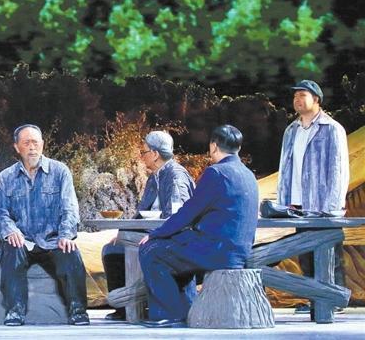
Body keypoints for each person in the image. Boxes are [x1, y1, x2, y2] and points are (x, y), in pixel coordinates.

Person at [138, 125, 259, 328]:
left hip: (217, 249)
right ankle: (186, 309)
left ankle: (168, 314)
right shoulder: (248, 174)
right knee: (176, 250)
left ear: (214, 146)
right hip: (240, 250)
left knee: (151, 250)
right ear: (238, 148)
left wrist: (156, 234)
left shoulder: (216, 173)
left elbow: (189, 211)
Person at [0, 124, 90, 326]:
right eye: (26, 143)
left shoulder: (60, 171)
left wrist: (66, 235)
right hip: (23, 241)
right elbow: (0, 213)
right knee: (11, 249)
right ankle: (15, 311)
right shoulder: (6, 177)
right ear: (17, 147)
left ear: (42, 145)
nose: (32, 147)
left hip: (53, 240)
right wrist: (10, 231)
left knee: (71, 251)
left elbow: (70, 208)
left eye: (35, 142)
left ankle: (78, 310)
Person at [102, 130, 195, 321]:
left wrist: (154, 235)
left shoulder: (175, 176)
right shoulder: (154, 177)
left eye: (144, 152)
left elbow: (178, 217)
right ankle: (124, 308)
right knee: (112, 249)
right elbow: (142, 212)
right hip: (152, 231)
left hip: (170, 237)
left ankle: (143, 306)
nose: (141, 156)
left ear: (155, 154)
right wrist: (124, 232)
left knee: (129, 245)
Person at [277, 80, 349, 312]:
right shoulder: (291, 130)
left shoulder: (331, 128)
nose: (297, 99)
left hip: (322, 203)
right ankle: (314, 298)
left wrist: (333, 205)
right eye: (295, 96)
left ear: (316, 99)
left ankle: (334, 299)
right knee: (305, 252)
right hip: (298, 203)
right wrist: (283, 203)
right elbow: (285, 168)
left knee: (329, 252)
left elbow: (338, 169)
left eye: (302, 95)